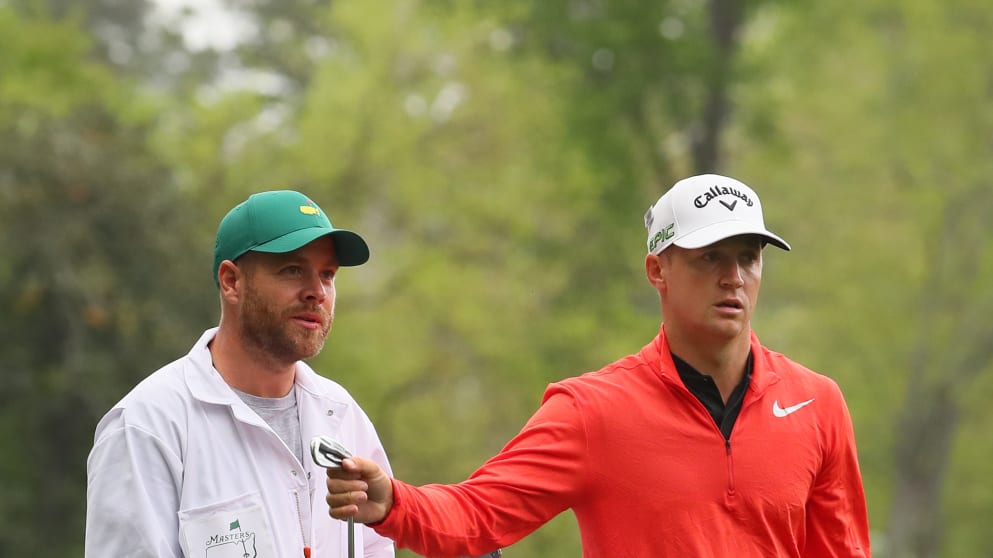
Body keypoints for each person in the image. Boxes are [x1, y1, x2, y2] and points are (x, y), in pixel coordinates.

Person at [325, 174, 872, 557]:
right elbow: (479, 515)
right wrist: (392, 503)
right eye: (710, 257)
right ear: (657, 270)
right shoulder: (592, 411)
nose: (734, 276)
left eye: (749, 257)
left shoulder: (817, 403)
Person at [85, 190, 396, 558]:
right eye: (293, 270)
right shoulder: (147, 425)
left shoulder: (341, 413)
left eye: (327, 275)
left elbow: (378, 546)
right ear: (232, 281)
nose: (317, 292)